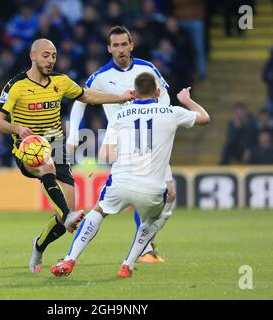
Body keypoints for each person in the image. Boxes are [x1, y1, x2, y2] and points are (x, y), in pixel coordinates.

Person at [0, 38, 134, 273]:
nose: (50, 60)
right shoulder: (15, 86)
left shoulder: (61, 81)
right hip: (28, 148)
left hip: (56, 146)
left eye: (54, 56)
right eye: (45, 55)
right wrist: (17, 129)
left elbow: (86, 96)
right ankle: (67, 215)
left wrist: (121, 97)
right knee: (47, 169)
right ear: (33, 56)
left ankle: (39, 245)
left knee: (65, 215)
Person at [51, 72, 210, 278]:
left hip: (121, 183)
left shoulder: (120, 115)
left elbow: (105, 154)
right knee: (155, 216)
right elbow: (205, 118)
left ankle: (70, 259)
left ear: (134, 93)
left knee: (98, 212)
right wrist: (187, 100)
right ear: (158, 91)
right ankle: (128, 264)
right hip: (152, 188)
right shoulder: (172, 112)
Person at [67, 25, 173, 263]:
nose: (121, 49)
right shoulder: (102, 77)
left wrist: (161, 115)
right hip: (122, 142)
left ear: (131, 45)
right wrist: (74, 134)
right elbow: (80, 100)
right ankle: (142, 250)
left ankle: (143, 245)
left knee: (165, 195)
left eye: (124, 44)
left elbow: (165, 94)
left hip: (152, 141)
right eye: (116, 45)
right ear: (109, 49)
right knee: (142, 193)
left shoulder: (147, 69)